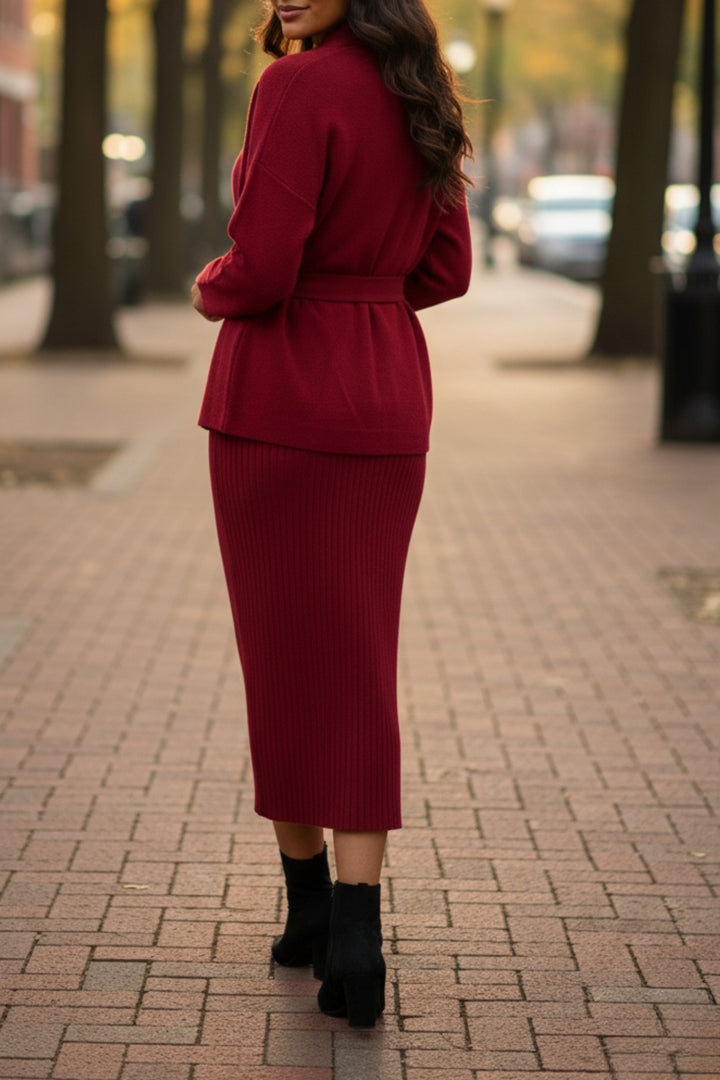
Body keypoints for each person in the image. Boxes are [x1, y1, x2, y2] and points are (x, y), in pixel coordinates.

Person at [191, 0, 472, 1028]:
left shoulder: (294, 87)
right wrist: (365, 298)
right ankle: (350, 931)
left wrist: (211, 286)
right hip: (386, 401)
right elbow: (448, 270)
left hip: (279, 400)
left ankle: (309, 907)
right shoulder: (420, 90)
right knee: (359, 656)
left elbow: (260, 265)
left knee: (283, 659)